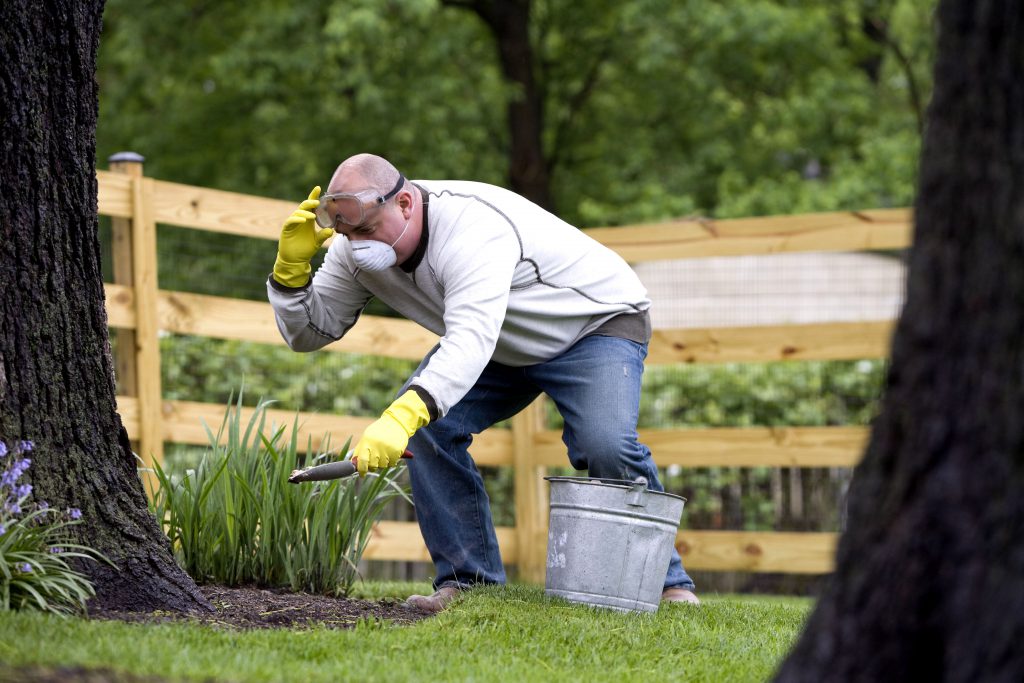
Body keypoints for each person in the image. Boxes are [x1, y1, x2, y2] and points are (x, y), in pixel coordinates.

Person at [267, 153, 698, 612]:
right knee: (429, 430)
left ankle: (668, 583)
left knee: (605, 442)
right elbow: (311, 333)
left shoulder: (471, 228)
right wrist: (289, 276)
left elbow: (470, 339)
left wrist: (402, 414)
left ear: (406, 203)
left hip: (592, 324)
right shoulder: (355, 251)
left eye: (368, 231)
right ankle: (470, 583)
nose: (358, 247)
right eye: (348, 236)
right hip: (503, 343)